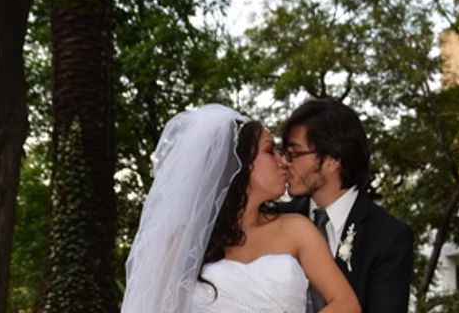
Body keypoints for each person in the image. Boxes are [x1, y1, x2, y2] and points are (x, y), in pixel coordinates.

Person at [121, 104, 360, 313]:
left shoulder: (297, 229)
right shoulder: (183, 242)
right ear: (238, 164)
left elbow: (345, 303)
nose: (283, 161)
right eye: (269, 151)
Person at [279, 98, 414, 313]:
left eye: (294, 154)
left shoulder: (388, 236)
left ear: (332, 160)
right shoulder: (277, 219)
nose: (284, 162)